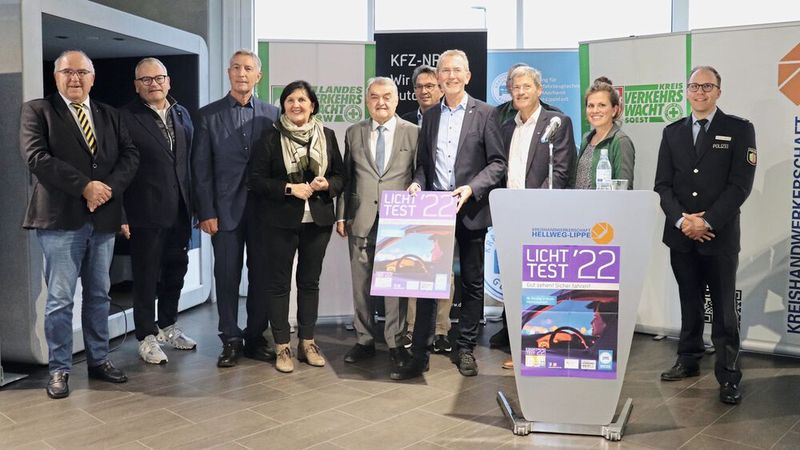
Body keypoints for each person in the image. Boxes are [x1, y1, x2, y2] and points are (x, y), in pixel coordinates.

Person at [20, 50, 139, 399]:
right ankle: (59, 369)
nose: (75, 78)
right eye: (67, 72)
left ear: (93, 77)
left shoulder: (110, 114)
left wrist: (105, 191)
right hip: (60, 220)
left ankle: (99, 360)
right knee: (60, 299)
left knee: (100, 295)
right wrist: (84, 186)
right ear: (56, 76)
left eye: (82, 72)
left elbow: (130, 156)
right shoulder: (37, 111)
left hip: (103, 219)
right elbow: (36, 157)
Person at [392, 49, 507, 380]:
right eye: (446, 71)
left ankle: (466, 348)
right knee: (427, 285)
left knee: (471, 282)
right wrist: (416, 184)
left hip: (469, 206)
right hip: (434, 209)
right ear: (439, 77)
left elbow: (497, 163)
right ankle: (419, 354)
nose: (451, 76)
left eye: (457, 70)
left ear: (467, 76)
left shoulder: (485, 114)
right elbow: (423, 168)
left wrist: (471, 188)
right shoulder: (428, 117)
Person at [654, 65, 756, 405]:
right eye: (694, 86)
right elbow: (663, 185)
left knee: (725, 309)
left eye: (707, 86)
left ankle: (728, 376)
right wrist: (683, 220)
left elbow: (740, 185)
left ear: (718, 91)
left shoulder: (739, 129)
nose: (700, 92)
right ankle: (688, 359)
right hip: (681, 234)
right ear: (687, 91)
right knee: (689, 300)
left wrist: (707, 221)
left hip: (720, 236)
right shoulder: (672, 132)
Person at [248, 80, 345, 373]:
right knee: (278, 284)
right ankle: (282, 346)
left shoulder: (326, 135)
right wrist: (290, 189)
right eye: (290, 100)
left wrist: (327, 183)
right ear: (284, 106)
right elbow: (256, 180)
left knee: (309, 282)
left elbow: (341, 175)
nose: (296, 105)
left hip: (317, 221)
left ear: (312, 105)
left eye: (302, 100)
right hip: (279, 222)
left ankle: (307, 342)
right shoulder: (269, 137)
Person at [191, 49, 279, 368]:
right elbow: (200, 169)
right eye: (237, 68)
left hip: (263, 213)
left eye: (249, 69)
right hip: (223, 212)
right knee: (226, 277)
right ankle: (230, 338)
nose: (242, 73)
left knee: (261, 278)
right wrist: (206, 212)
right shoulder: (207, 115)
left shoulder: (273, 114)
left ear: (259, 76)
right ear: (228, 73)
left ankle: (255, 337)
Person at [336, 77, 418, 370]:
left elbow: (420, 172)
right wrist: (342, 214)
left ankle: (396, 342)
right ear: (367, 100)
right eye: (374, 97)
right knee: (361, 284)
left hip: (399, 222)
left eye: (386, 97)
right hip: (361, 220)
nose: (380, 102)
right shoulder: (354, 132)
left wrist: (418, 185)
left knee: (396, 286)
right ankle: (364, 339)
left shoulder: (414, 133)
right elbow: (348, 177)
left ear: (396, 100)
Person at [499, 65, 576, 369]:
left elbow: (560, 170)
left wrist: (534, 207)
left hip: (542, 218)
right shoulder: (506, 127)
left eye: (526, 87)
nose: (520, 92)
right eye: (515, 87)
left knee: (542, 285)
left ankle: (545, 346)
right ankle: (520, 348)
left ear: (539, 90)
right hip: (509, 218)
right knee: (515, 284)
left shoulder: (557, 122)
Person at [121, 57, 196, 365]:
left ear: (169, 81)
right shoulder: (124, 118)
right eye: (146, 80)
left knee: (176, 272)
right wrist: (121, 214)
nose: (154, 84)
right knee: (146, 276)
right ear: (137, 86)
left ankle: (168, 326)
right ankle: (145, 336)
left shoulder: (182, 113)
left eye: (159, 78)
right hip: (144, 212)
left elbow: (188, 163)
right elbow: (119, 168)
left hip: (180, 210)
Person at [399, 65, 451, 354]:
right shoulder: (405, 121)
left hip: (443, 203)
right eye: (419, 86)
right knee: (412, 267)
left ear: (441, 87)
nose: (424, 91)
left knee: (444, 270)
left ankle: (442, 330)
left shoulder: (447, 118)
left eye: (430, 85)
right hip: (411, 205)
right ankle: (411, 329)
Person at [570, 77, 635, 189]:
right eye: (591, 106)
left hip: (604, 206)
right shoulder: (586, 138)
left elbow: (624, 188)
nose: (595, 110)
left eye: (602, 105)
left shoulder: (620, 141)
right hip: (580, 205)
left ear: (614, 110)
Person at [495, 63, 563, 124]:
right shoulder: (496, 114)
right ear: (508, 85)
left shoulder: (555, 117)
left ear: (539, 89)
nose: (521, 92)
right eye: (516, 86)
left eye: (527, 86)